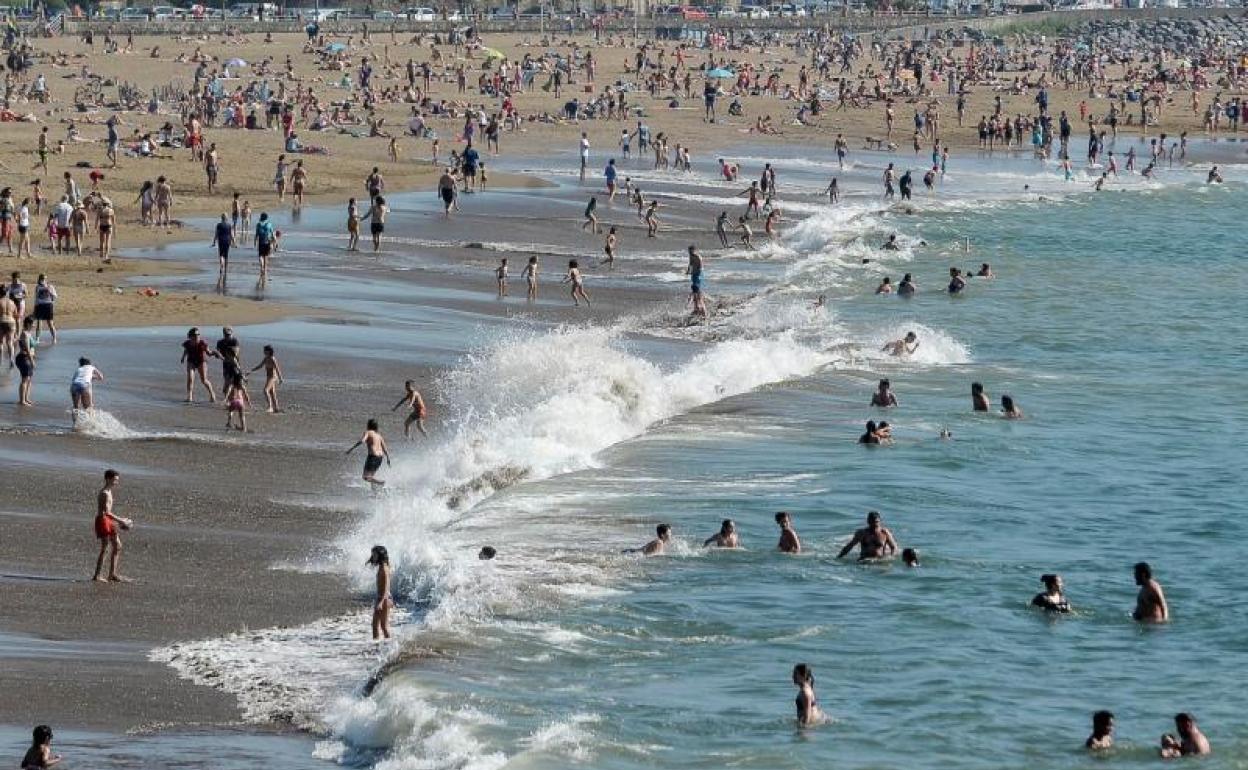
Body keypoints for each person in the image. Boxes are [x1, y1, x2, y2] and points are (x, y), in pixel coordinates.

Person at [92, 469, 131, 583]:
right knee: (105, 548)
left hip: (108, 520)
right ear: (108, 479)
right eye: (115, 480)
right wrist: (121, 521)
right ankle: (97, 575)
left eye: (117, 480)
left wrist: (118, 521)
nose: (116, 482)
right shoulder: (104, 493)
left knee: (118, 546)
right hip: (102, 520)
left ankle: (112, 574)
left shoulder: (109, 491)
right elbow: (107, 512)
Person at [346, 418, 391, 490]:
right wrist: (388, 459)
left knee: (366, 477)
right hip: (380, 458)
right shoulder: (379, 435)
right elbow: (385, 448)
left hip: (373, 456)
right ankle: (375, 493)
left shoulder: (368, 432)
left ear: (368, 425)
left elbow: (362, 441)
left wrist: (351, 449)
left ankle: (381, 483)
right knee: (371, 476)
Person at [367, 545, 394, 640]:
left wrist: (381, 602)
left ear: (380, 556)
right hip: (383, 598)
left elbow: (386, 587)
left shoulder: (384, 569)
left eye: (374, 555)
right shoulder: (384, 566)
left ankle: (383, 646)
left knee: (381, 626)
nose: (373, 557)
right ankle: (381, 646)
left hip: (384, 599)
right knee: (379, 625)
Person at [249, 345, 284, 413]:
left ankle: (270, 407)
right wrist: (251, 370)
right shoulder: (265, 358)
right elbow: (260, 366)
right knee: (272, 393)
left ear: (269, 351)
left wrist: (280, 378)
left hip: (273, 377)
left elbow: (277, 368)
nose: (263, 351)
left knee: (265, 390)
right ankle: (276, 408)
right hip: (268, 377)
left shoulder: (272, 358)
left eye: (265, 350)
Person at [15, 318, 36, 406]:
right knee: (25, 379)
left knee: (29, 379)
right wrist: (32, 361)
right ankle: (22, 400)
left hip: (28, 358)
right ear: (28, 324)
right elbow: (27, 348)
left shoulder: (29, 333)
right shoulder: (24, 334)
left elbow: (32, 348)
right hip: (23, 358)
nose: (34, 325)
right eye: (33, 324)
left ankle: (26, 398)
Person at [32, 275, 57, 344]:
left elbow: (55, 296)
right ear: (39, 279)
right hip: (40, 305)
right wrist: (35, 307)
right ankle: (37, 339)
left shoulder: (50, 286)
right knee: (39, 323)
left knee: (50, 323)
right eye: (41, 279)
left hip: (48, 305)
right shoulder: (37, 287)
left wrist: (49, 291)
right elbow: (36, 298)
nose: (43, 280)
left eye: (44, 279)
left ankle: (54, 338)